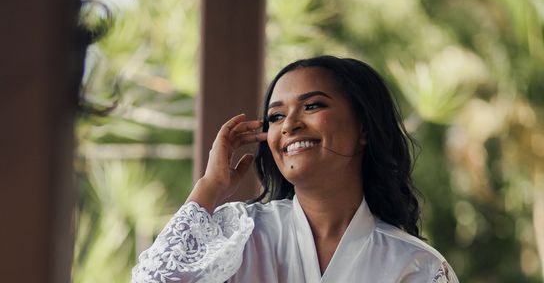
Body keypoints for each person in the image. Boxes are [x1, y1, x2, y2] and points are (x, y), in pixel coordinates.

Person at [132, 56, 459, 282]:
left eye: (312, 105)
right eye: (275, 116)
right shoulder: (239, 234)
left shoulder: (415, 265)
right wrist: (211, 185)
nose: (289, 124)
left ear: (363, 128)